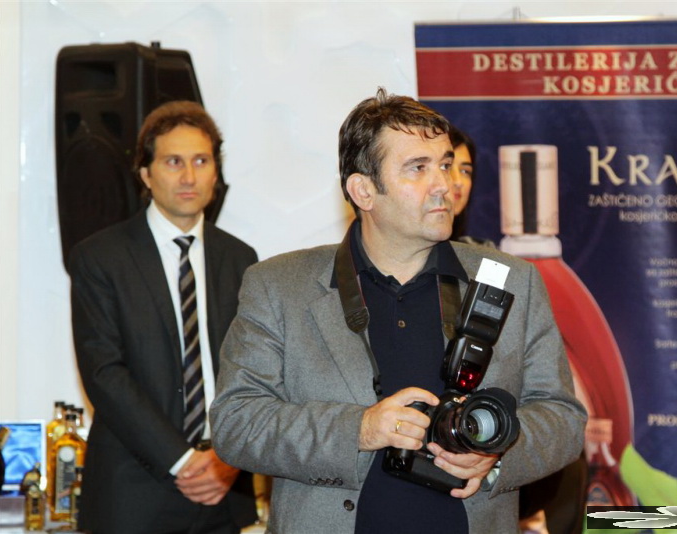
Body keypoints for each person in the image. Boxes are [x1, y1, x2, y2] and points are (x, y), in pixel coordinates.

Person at [210, 88, 586, 534]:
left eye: (445, 164)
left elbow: (563, 417)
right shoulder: (279, 286)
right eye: (418, 168)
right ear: (364, 190)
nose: (445, 184)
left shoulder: (511, 281)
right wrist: (359, 429)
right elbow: (236, 423)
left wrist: (497, 455)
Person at [69, 100, 259, 534]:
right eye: (174, 161)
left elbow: (256, 371)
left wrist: (226, 458)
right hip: (133, 492)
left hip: (225, 490)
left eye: (201, 161)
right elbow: (103, 372)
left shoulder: (241, 259)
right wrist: (183, 459)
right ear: (145, 173)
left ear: (216, 172)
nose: (189, 176)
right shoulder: (100, 258)